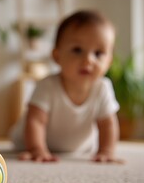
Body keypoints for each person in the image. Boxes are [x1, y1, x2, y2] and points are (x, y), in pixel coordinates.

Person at [10, 10, 123, 163]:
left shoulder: (103, 88)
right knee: (30, 139)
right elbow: (36, 121)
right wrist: (37, 149)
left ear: (109, 61)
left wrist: (106, 151)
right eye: (77, 50)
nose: (88, 60)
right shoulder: (47, 85)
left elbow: (107, 124)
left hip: (77, 147)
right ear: (57, 56)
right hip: (28, 141)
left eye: (98, 53)